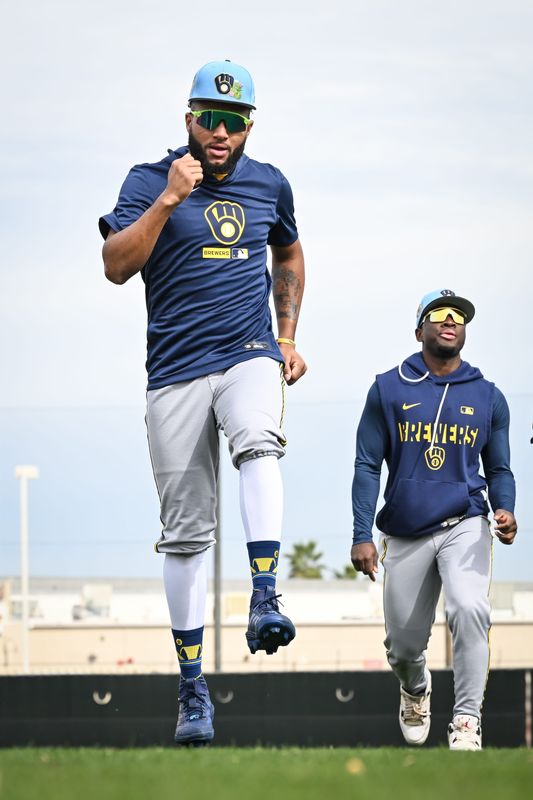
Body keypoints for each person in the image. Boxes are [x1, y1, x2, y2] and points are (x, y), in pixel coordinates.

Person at [99, 60, 306, 745]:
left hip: (248, 353)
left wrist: (284, 337)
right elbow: (116, 266)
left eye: (234, 121)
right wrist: (167, 199)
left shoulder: (269, 183)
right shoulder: (146, 179)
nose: (221, 132)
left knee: (259, 442)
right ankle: (192, 690)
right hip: (175, 373)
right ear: (189, 118)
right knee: (186, 535)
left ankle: (265, 593)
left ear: (249, 125)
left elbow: (290, 254)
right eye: (210, 118)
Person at [350, 289, 517, 751]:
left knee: (470, 609)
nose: (450, 320)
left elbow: (499, 469)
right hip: (406, 529)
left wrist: (504, 508)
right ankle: (415, 687)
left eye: (459, 316)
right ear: (419, 329)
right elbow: (367, 465)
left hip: (466, 521)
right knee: (402, 647)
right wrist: (362, 534)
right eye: (439, 314)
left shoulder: (488, 396)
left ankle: (466, 719)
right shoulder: (388, 388)